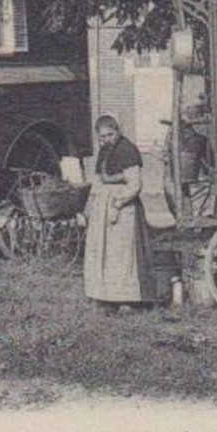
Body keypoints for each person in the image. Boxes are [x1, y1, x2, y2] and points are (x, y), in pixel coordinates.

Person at [83, 114, 157, 308]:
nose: (107, 139)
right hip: (103, 209)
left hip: (124, 211)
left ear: (118, 131)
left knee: (122, 255)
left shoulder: (127, 150)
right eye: (102, 136)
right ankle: (106, 295)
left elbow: (135, 185)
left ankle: (127, 299)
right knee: (103, 252)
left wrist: (117, 204)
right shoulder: (105, 151)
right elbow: (99, 180)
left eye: (110, 134)